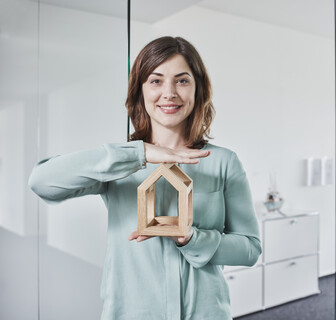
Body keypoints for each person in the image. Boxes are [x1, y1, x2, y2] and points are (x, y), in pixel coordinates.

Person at [29, 36, 262, 320]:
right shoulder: (117, 164)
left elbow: (250, 249)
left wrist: (191, 238)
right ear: (140, 91)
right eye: (156, 80)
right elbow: (42, 182)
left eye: (182, 80)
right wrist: (138, 153)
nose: (169, 93)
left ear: (198, 89)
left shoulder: (224, 161)